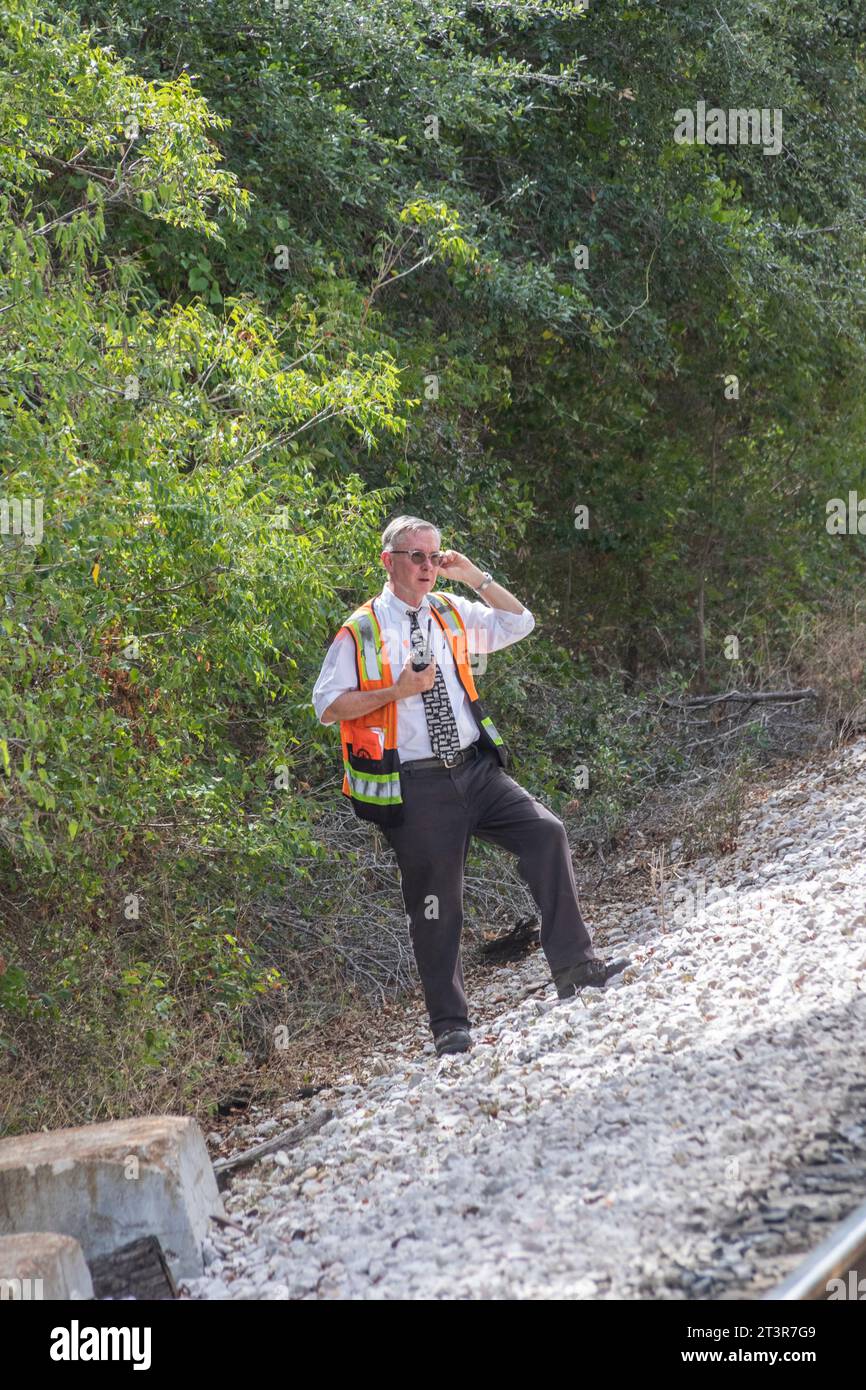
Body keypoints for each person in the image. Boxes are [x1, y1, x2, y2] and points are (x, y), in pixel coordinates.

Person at [312, 514, 629, 1057]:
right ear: (388, 561)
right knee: (436, 905)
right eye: (416, 556)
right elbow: (327, 705)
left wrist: (474, 576)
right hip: (415, 783)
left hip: (474, 769)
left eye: (434, 557)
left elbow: (519, 622)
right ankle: (450, 1026)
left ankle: (576, 970)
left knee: (546, 833)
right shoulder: (362, 630)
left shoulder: (449, 609)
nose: (427, 566)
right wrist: (396, 691)